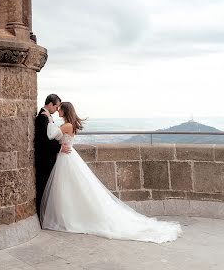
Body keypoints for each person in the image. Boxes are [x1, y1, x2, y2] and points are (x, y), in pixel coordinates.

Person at [40, 101, 182, 243]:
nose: (58, 111)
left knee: (67, 189)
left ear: (65, 111)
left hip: (66, 158)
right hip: (67, 157)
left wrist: (49, 118)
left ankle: (69, 218)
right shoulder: (70, 125)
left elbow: (51, 134)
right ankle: (68, 217)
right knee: (69, 190)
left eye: (60, 109)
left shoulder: (67, 125)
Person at [34, 94, 71, 217]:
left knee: (49, 189)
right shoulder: (43, 118)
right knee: (44, 188)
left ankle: (48, 216)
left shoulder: (47, 117)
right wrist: (60, 147)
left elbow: (52, 135)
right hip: (45, 159)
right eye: (56, 107)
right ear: (50, 104)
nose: (56, 110)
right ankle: (42, 216)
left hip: (50, 158)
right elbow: (44, 140)